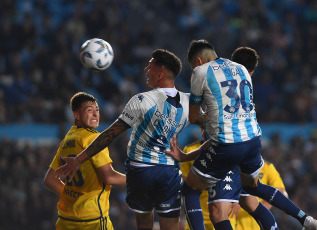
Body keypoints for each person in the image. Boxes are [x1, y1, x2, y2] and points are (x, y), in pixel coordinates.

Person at [165, 40, 317, 230]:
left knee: (192, 192)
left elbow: (195, 116)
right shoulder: (241, 69)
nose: (193, 69)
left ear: (198, 61)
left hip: (227, 146)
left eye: (193, 65)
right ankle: (305, 219)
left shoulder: (201, 72)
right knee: (252, 190)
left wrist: (204, 119)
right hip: (253, 140)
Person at [54, 49, 207, 230]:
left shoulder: (142, 100)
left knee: (143, 225)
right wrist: (189, 156)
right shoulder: (189, 102)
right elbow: (213, 134)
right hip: (169, 172)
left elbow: (110, 134)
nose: (145, 69)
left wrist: (79, 159)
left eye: (150, 65)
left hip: (141, 171)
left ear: (161, 73)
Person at [43, 92, 126, 230]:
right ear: (76, 115)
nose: (95, 114)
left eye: (97, 110)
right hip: (92, 221)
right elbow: (109, 177)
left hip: (66, 221)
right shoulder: (93, 139)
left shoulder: (67, 140)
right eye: (89, 110)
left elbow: (50, 179)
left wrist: (74, 198)